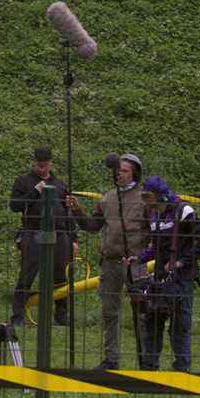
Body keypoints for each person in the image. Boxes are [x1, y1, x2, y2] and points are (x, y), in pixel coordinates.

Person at [67, 153, 148, 369]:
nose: (119, 173)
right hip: (111, 262)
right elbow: (92, 226)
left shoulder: (145, 198)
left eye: (124, 170)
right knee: (110, 312)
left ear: (135, 174)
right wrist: (77, 210)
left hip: (136, 264)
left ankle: (147, 359)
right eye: (118, 170)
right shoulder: (107, 198)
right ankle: (111, 359)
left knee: (142, 314)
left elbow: (154, 229)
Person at [132, 175, 200, 372]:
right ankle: (150, 369)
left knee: (179, 327)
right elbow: (156, 248)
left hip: (182, 279)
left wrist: (181, 261)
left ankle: (181, 370)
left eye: (148, 196)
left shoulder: (184, 211)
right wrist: (139, 258)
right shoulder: (154, 216)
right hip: (159, 279)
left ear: (160, 195)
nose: (145, 201)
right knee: (152, 324)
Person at [8, 146, 76, 327]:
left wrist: (73, 239)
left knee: (61, 275)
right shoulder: (23, 181)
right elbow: (14, 206)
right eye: (39, 165)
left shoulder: (60, 185)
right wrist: (35, 192)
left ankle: (61, 314)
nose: (42, 168)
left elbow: (68, 212)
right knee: (27, 274)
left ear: (50, 164)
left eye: (45, 165)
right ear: (34, 163)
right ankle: (17, 315)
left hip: (60, 234)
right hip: (33, 233)